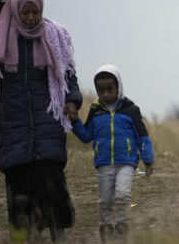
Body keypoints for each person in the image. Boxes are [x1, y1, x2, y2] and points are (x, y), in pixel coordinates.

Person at [0, 0, 82, 242]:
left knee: (53, 191)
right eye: (26, 12)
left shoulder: (54, 36)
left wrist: (72, 102)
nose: (31, 18)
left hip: (47, 125)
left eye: (35, 12)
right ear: (16, 11)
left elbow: (68, 76)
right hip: (14, 127)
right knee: (20, 198)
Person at [66, 65, 155, 243]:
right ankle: (105, 227)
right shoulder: (96, 110)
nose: (105, 94)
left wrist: (148, 160)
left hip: (127, 163)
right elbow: (86, 136)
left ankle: (122, 226)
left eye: (110, 89)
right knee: (105, 200)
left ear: (118, 87)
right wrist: (75, 121)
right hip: (104, 164)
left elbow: (142, 136)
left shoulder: (130, 109)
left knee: (123, 195)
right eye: (101, 90)